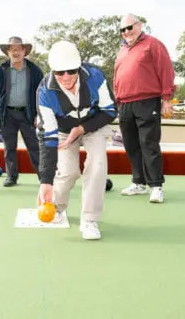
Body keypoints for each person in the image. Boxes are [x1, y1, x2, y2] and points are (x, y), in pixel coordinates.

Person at [37, 40, 117, 240]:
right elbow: (48, 136)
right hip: (63, 132)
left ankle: (89, 220)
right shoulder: (45, 92)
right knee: (68, 172)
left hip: (93, 126)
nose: (66, 77)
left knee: (98, 165)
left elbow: (110, 111)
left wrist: (81, 129)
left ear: (79, 67)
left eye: (71, 71)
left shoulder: (95, 77)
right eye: (59, 72)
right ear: (53, 71)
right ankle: (57, 206)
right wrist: (45, 182)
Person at [114, 13, 175, 203]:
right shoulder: (122, 50)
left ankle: (156, 186)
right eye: (123, 29)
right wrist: (117, 100)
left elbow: (166, 71)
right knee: (131, 145)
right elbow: (117, 75)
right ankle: (138, 182)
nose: (126, 32)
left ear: (139, 26)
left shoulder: (153, 44)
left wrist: (167, 98)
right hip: (125, 104)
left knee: (149, 144)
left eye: (129, 27)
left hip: (147, 101)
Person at [0, 37, 43, 187]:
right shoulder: (1, 70)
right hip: (8, 114)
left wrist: (39, 114)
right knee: (9, 147)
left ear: (24, 51)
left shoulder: (35, 70)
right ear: (8, 52)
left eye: (19, 48)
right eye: (12, 49)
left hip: (28, 114)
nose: (16, 52)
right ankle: (11, 177)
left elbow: (42, 94)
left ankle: (43, 177)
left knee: (34, 147)